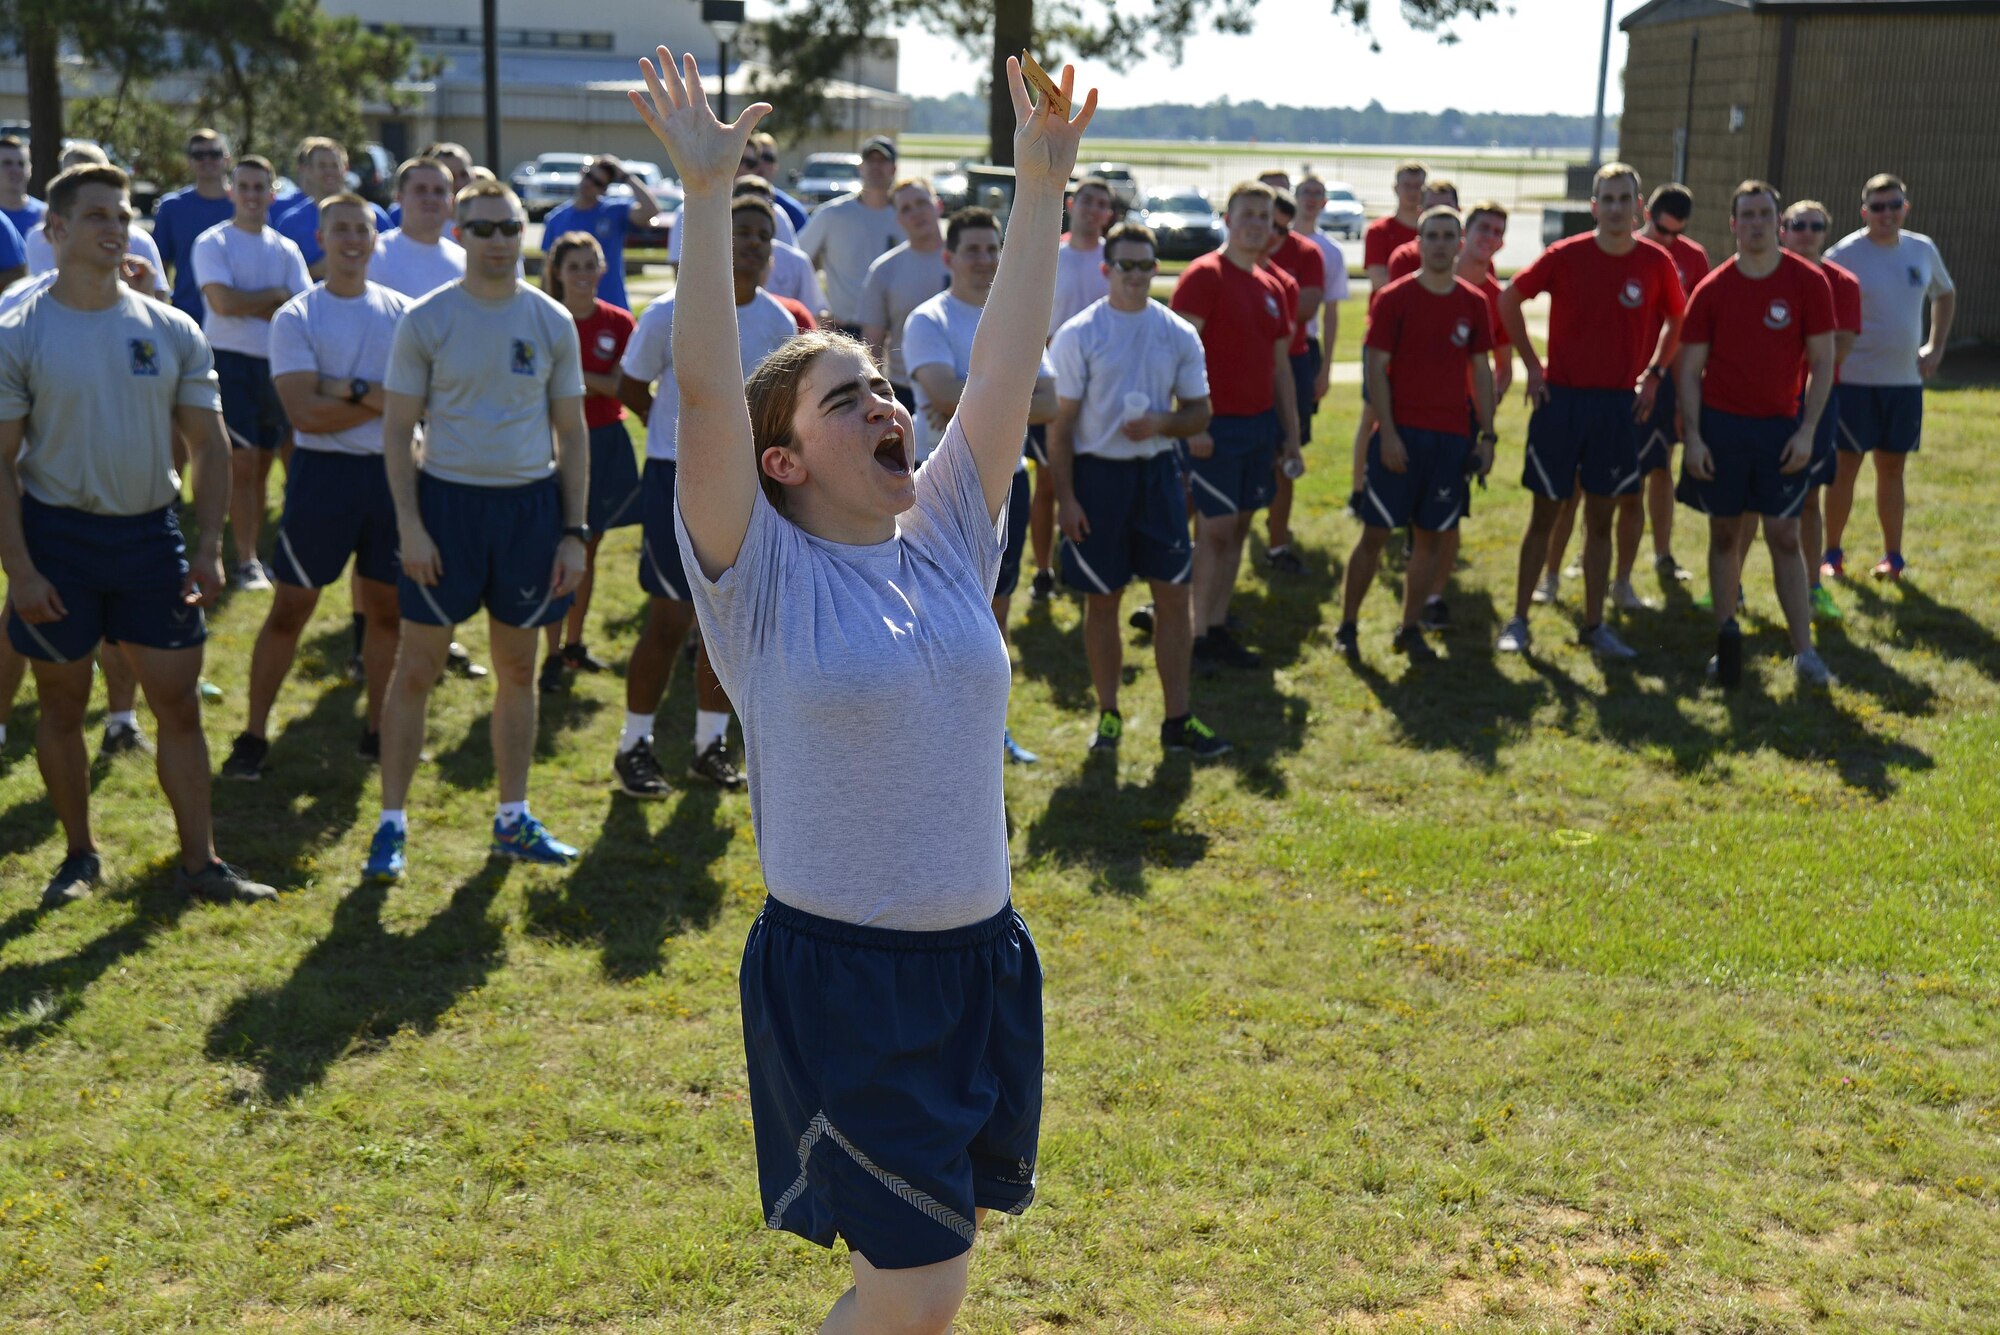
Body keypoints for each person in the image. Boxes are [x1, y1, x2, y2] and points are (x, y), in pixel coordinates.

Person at [629, 47, 1093, 1334]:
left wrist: (1042, 179)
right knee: (918, 1291)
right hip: (848, 980)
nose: (888, 405)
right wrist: (709, 197)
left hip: (980, 961)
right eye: (852, 401)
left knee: (925, 1268)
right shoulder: (756, 576)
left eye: (886, 388)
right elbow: (708, 395)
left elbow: (1001, 370)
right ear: (784, 460)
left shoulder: (944, 532)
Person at [0, 164, 276, 905]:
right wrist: (20, 570)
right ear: (54, 232)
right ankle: (80, 856)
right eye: (95, 215)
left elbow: (212, 446)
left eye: (121, 213)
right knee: (62, 705)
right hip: (57, 538)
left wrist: (211, 546)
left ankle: (201, 863)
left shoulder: (169, 327)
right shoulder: (18, 333)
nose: (114, 227)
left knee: (178, 704)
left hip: (151, 537)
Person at [364, 179, 590, 882]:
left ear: (524, 233)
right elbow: (398, 432)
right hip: (445, 509)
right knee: (418, 668)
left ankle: (512, 818)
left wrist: (574, 532)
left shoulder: (551, 320)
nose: (496, 240)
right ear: (459, 234)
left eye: (508, 227)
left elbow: (573, 434)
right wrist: (411, 525)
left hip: (527, 512)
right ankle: (391, 824)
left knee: (518, 668)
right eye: (483, 227)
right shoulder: (427, 319)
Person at [220, 193, 411, 779]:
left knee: (386, 613)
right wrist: (376, 398)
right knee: (291, 608)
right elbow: (303, 415)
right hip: (322, 479)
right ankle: (253, 734)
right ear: (321, 239)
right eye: (341, 230)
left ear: (376, 240)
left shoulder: (405, 314)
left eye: (363, 229)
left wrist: (340, 388)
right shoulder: (297, 316)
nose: (353, 239)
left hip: (391, 476)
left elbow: (416, 406)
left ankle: (378, 730)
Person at [610, 195, 794, 795]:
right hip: (674, 478)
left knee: (730, 620)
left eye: (763, 236)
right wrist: (679, 439)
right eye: (740, 231)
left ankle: (708, 745)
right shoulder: (670, 311)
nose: (752, 244)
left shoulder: (780, 324)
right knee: (667, 618)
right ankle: (634, 743)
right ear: (714, 237)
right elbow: (632, 387)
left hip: (750, 484)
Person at [1048, 221, 1229, 758]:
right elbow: (1059, 428)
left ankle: (1178, 719)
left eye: (1145, 264)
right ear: (1106, 270)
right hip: (1098, 477)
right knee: (1103, 601)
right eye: (1124, 264)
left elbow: (1200, 413)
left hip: (1157, 478)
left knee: (1174, 598)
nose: (1135, 274)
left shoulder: (1176, 332)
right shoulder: (1080, 333)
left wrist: (1161, 423)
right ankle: (1108, 714)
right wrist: (1067, 498)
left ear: (1157, 268)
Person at [1493, 162, 1683, 659]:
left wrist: (1655, 373)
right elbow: (1509, 300)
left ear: (1639, 206)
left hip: (1619, 406)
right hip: (1563, 401)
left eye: (1625, 198)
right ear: (1594, 205)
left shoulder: (1655, 262)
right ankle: (1518, 619)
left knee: (1602, 519)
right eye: (1608, 199)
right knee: (1545, 514)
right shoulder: (1565, 255)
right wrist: (1533, 366)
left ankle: (1595, 625)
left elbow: (1678, 319)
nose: (1617, 207)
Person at [905, 205, 1059, 765]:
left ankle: (987, 729)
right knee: (928, 610)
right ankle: (927, 728)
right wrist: (1009, 391)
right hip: (933, 488)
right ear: (948, 257)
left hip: (1007, 485)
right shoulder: (930, 319)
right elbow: (940, 393)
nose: (985, 259)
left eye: (993, 249)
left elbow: (1053, 403)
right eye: (972, 249)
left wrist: (978, 397)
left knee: (996, 610)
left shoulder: (1016, 322)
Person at [1675, 180, 1836, 689]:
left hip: (1781, 430)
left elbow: (1824, 361)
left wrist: (1808, 430)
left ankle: (1804, 652)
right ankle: (1726, 642)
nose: (1757, 223)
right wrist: (1696, 438)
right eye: (1747, 215)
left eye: (1766, 214)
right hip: (1722, 430)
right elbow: (1688, 370)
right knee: (1725, 532)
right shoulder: (1713, 289)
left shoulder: (1808, 283)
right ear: (1733, 224)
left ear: (1779, 223)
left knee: (1784, 535)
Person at [1338, 206, 1496, 660]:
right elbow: (1376, 369)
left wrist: (1487, 436)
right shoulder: (1393, 299)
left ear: (1460, 242)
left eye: (1450, 236)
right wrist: (1386, 433)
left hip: (1449, 440)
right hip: (1400, 436)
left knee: (1430, 538)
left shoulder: (1474, 301)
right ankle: (1348, 625)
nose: (1442, 244)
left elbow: (1480, 371)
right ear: (1419, 243)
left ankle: (1409, 627)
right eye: (1433, 236)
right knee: (1375, 534)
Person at [1169, 181, 1302, 672]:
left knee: (1241, 527)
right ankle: (1196, 636)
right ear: (1228, 218)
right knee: (1216, 531)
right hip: (1214, 431)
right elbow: (1177, 356)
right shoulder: (1205, 275)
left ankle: (1217, 624)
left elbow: (1281, 368)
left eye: (1264, 217)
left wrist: (1289, 434)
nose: (1255, 224)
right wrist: (1193, 423)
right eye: (1246, 214)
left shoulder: (1271, 287)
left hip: (1258, 429)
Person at [1822, 173, 1954, 582]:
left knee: (1892, 469)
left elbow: (1944, 294)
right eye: (1877, 207)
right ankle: (1831, 554)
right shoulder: (1843, 255)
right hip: (1855, 382)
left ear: (1905, 208)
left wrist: (1935, 346)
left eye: (1893, 205)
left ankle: (1893, 557)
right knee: (1845, 468)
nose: (1886, 214)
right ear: (1865, 212)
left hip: (1904, 383)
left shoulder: (1922, 249)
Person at [191, 155, 313, 590]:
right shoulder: (213, 243)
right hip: (229, 362)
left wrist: (258, 302)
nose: (252, 195)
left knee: (270, 463)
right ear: (231, 191)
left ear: (272, 193)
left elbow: (299, 315)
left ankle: (281, 553)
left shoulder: (286, 249)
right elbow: (222, 305)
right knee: (242, 464)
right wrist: (274, 297)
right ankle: (245, 560)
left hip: (278, 366)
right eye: (244, 186)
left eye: (260, 187)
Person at [532, 231, 641, 689]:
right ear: (556, 271)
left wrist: (569, 376)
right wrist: (590, 379)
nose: (582, 274)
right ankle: (550, 653)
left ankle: (574, 644)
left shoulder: (618, 322)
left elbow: (622, 386)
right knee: (551, 547)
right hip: (549, 443)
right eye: (572, 265)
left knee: (587, 547)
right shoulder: (541, 318)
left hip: (603, 441)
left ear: (603, 268)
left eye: (590, 264)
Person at [1415, 199, 1512, 631]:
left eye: (1497, 232)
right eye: (1482, 229)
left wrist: (1485, 416)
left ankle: (1434, 595)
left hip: (1462, 419)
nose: (1488, 238)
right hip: (1413, 412)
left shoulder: (1496, 299)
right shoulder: (1425, 282)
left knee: (1449, 510)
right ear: (1464, 235)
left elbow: (1503, 366)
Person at [1025, 175, 1118, 600]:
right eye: (1087, 201)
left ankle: (1084, 563)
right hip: (1053, 388)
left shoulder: (1113, 261)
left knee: (1091, 480)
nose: (1093, 209)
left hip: (1101, 391)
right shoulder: (1049, 253)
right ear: (1070, 203)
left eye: (1102, 203)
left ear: (1110, 215)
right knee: (1047, 481)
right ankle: (1043, 568)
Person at [1780, 199, 1862, 621]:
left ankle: (1812, 585)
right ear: (1784, 229)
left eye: (1815, 225)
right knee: (1744, 506)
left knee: (1809, 498)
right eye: (1798, 224)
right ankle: (1731, 588)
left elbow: (1840, 347)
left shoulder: (1841, 282)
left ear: (1825, 232)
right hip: (1763, 403)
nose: (1807, 232)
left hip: (1817, 402)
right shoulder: (1764, 275)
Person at [1346, 160, 1425, 514]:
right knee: (1372, 414)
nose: (1413, 192)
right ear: (1395, 189)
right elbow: (1381, 282)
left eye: (1418, 186)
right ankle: (1358, 491)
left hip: (1424, 340)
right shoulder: (1381, 231)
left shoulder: (1432, 232)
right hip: (1385, 337)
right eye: (1407, 185)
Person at [1260, 189, 1324, 576]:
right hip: (1247, 366)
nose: (1272, 237)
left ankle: (1277, 542)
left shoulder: (1306, 254)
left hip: (1293, 362)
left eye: (1281, 230)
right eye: (1268, 224)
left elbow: (1308, 308)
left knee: (1287, 455)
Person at [24, 143, 168, 296]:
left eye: (96, 177)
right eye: (74, 177)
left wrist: (142, 298)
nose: (115, 229)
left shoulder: (139, 240)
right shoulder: (38, 239)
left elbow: (159, 296)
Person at [795, 135, 903, 335]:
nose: (876, 167)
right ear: (861, 167)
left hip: (894, 332)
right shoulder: (832, 214)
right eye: (871, 160)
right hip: (844, 330)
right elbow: (796, 262)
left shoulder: (905, 218)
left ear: (894, 169)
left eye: (883, 161)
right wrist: (817, 309)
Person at [860, 178, 950, 413]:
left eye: (922, 203)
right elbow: (872, 347)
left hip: (968, 386)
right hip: (906, 392)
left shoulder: (971, 259)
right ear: (898, 218)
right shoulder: (884, 270)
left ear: (938, 205)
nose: (916, 213)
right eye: (906, 209)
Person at [540, 154, 666, 311]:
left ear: (604, 189)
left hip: (613, 308)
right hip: (570, 311)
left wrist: (625, 176)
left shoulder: (614, 211)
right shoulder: (556, 219)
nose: (589, 183)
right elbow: (547, 271)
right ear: (581, 172)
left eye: (597, 182)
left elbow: (651, 210)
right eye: (588, 175)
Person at [152, 129, 238, 323]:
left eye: (214, 154)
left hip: (240, 320)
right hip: (187, 317)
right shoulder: (172, 207)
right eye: (198, 155)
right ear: (189, 161)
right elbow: (159, 268)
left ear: (227, 159)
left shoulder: (246, 204)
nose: (207, 160)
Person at [273, 137, 392, 277]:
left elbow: (394, 264)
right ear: (308, 171)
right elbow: (279, 276)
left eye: (335, 165)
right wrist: (316, 270)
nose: (329, 171)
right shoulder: (291, 223)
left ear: (345, 169)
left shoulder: (372, 215)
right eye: (322, 166)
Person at [1291, 175, 1351, 435]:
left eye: (1317, 194)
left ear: (1325, 202)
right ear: (1295, 197)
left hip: (1307, 343)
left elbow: (1331, 313)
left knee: (1298, 427)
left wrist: (1325, 370)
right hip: (1274, 340)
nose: (1311, 199)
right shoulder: (1273, 242)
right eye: (1306, 192)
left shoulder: (1331, 251)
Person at [664, 149, 798, 264]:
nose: (741, 168)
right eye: (737, 159)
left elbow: (793, 263)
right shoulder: (689, 212)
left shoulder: (776, 213)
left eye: (750, 163)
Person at [372, 157, 467, 301]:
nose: (430, 198)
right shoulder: (374, 254)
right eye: (420, 190)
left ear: (451, 201)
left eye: (439, 191)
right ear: (399, 197)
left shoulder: (465, 261)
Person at [734, 174, 824, 314]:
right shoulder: (711, 260)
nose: (754, 242)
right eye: (748, 206)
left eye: (765, 205)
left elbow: (815, 314)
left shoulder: (797, 262)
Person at [747, 132, 810, 231]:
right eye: (757, 156)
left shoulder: (792, 211)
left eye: (768, 158)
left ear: (776, 166)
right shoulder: (726, 203)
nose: (761, 163)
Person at [0, 135, 47, 242]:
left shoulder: (45, 215)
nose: (16, 170)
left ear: (30, 169)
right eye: (7, 163)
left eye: (21, 164)